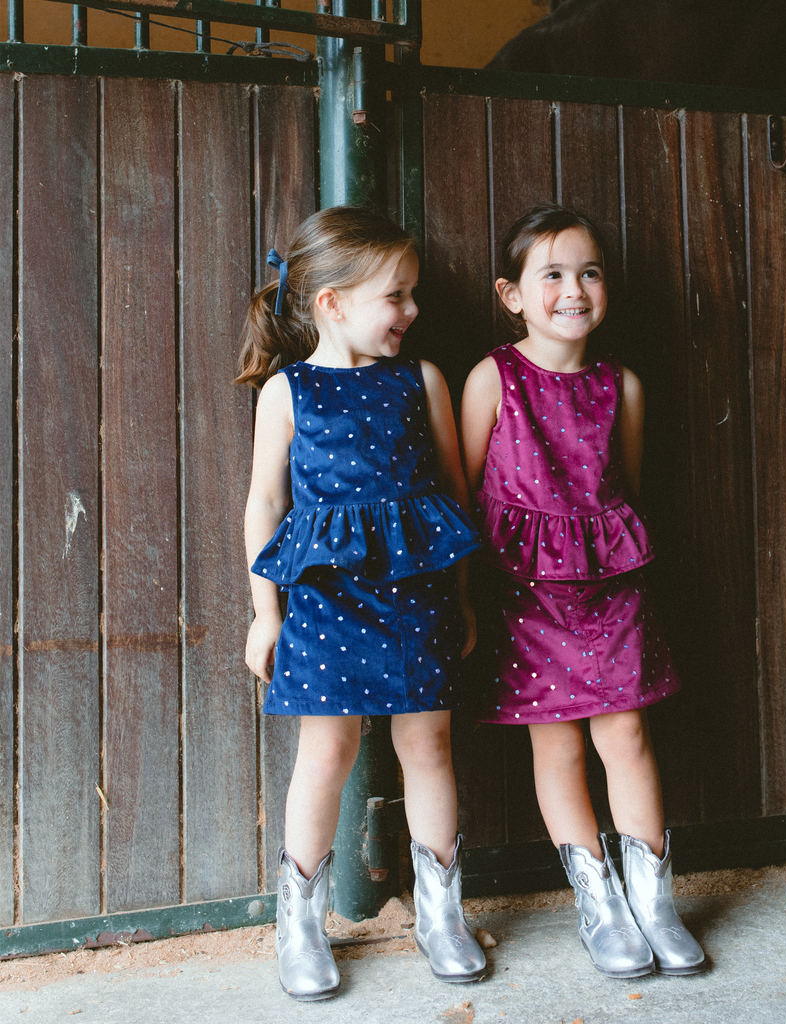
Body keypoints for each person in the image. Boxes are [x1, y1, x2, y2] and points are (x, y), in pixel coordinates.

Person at [238, 207, 486, 1001]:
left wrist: (465, 596)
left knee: (431, 750)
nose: (412, 312)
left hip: (416, 599)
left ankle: (442, 913)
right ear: (332, 303)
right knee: (327, 757)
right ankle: (300, 924)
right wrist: (264, 613)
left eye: (412, 294)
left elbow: (452, 493)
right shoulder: (288, 391)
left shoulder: (423, 380)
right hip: (325, 601)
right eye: (397, 296)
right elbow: (263, 505)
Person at [460, 203, 706, 980]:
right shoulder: (492, 377)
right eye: (553, 275)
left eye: (589, 272)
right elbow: (462, 494)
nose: (574, 290)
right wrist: (464, 598)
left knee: (626, 737)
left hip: (610, 591)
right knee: (558, 745)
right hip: (525, 592)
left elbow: (621, 486)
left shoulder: (620, 384)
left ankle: (654, 901)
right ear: (512, 294)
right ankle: (598, 903)